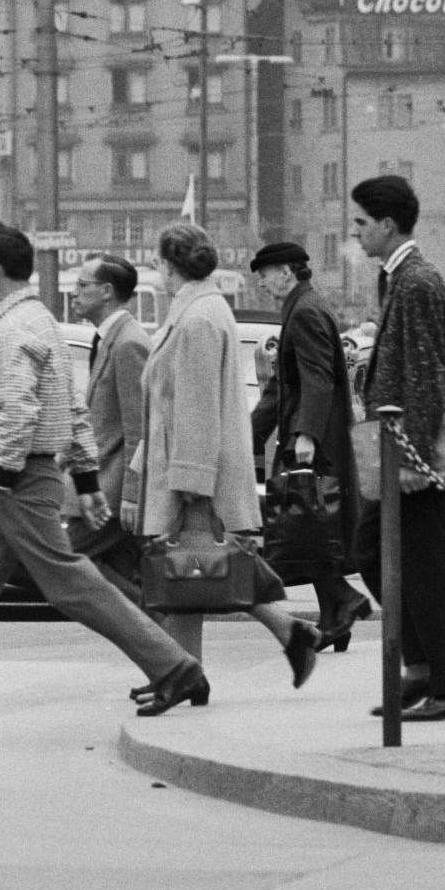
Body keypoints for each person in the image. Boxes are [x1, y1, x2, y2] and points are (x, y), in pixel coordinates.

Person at [0, 223, 204, 740]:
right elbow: (71, 409)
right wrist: (84, 477)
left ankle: (173, 666)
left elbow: (21, 406)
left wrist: (8, 473)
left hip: (15, 475)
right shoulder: (40, 321)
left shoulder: (14, 328)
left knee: (70, 583)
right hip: (22, 474)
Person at [124, 225, 319, 702]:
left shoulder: (198, 318)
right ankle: (199, 669)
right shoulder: (198, 310)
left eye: (158, 262)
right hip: (189, 462)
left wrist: (192, 482)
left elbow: (194, 405)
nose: (156, 271)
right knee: (191, 573)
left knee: (190, 570)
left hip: (193, 467)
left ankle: (186, 674)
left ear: (171, 266)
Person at [351, 175, 445, 721]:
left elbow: (427, 378)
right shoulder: (398, 278)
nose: (355, 233)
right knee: (374, 552)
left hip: (411, 453)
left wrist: (412, 460)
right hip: (401, 447)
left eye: (360, 223)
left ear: (386, 224)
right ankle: (424, 669)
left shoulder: (417, 281)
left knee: (425, 567)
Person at [249, 241, 373, 651]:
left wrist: (306, 435)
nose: (262, 284)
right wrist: (253, 431)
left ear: (286, 272)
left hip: (313, 443)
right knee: (312, 526)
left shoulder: (304, 312)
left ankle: (343, 603)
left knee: (306, 523)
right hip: (313, 437)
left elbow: (318, 378)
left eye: (265, 275)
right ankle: (338, 611)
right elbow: (285, 387)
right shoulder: (304, 307)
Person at [65, 253, 150, 601]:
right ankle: (155, 634)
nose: (74, 293)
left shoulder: (129, 343)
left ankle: (153, 630)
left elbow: (139, 430)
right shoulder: (107, 339)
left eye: (82, 285)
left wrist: (131, 494)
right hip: (103, 484)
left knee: (63, 558)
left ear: (106, 291)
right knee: (128, 574)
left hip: (113, 492)